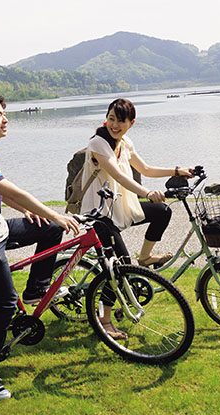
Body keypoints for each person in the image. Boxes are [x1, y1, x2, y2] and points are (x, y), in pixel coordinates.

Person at [0, 91, 80, 400]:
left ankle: (37, 288)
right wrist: (51, 212)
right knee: (6, 303)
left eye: (3, 113)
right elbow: (11, 188)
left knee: (49, 229)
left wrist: (30, 212)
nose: (5, 119)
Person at [79, 98, 194, 339]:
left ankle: (145, 257)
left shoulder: (125, 142)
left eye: (120, 121)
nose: (114, 124)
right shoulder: (97, 144)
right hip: (100, 212)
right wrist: (147, 192)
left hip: (121, 206)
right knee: (119, 267)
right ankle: (106, 321)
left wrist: (176, 171)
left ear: (131, 123)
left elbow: (146, 169)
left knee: (162, 211)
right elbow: (120, 176)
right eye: (111, 118)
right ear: (106, 119)